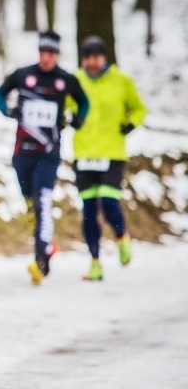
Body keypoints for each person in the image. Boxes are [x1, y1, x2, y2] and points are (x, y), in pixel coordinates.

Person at [0, 31, 90, 284]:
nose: (46, 58)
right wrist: (7, 109)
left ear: (57, 55)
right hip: (22, 153)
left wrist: (79, 118)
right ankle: (45, 244)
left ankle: (41, 259)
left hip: (48, 153)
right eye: (43, 53)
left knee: (42, 200)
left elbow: (84, 103)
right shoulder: (23, 75)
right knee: (31, 206)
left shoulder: (65, 80)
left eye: (51, 54)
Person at [69, 36, 146, 281]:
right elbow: (64, 106)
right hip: (84, 153)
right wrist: (70, 117)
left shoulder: (122, 81)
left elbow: (139, 108)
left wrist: (131, 124)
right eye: (87, 58)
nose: (91, 62)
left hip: (112, 153)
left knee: (109, 203)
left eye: (96, 57)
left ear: (104, 58)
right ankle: (94, 262)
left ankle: (121, 236)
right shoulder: (76, 81)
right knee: (89, 210)